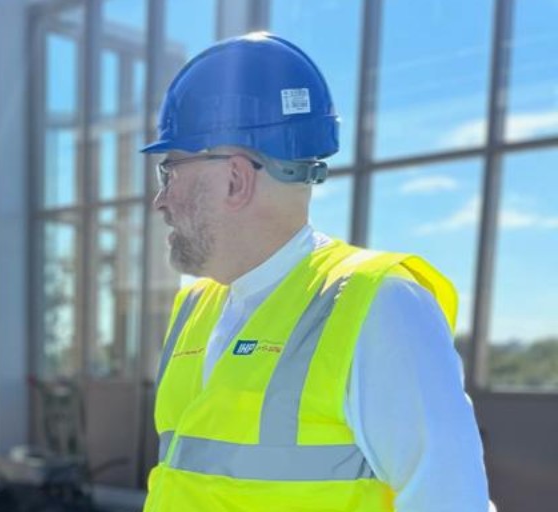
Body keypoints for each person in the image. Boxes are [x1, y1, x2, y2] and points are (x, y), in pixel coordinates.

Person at [142, 32, 490, 511]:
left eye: (171, 170)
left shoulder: (379, 306)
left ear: (235, 179)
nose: (161, 200)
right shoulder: (193, 310)